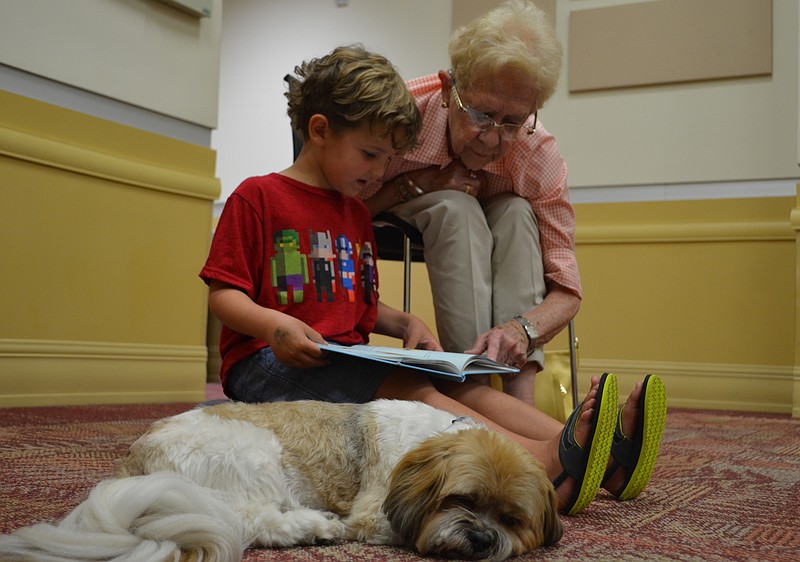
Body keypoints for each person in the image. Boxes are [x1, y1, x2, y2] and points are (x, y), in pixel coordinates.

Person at [200, 44, 667, 516]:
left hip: (338, 359)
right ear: (319, 131)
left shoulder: (354, 212)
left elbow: (353, 302)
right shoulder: (258, 196)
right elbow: (224, 295)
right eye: (371, 155)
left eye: (389, 159)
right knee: (413, 389)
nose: (382, 172)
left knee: (462, 382)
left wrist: (405, 324)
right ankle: (544, 464)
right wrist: (271, 326)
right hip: (264, 365)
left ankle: (603, 457)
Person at [360, 0, 575, 407]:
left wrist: (520, 330)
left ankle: (518, 398)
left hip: (497, 220)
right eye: (481, 114)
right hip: (396, 206)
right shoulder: (397, 117)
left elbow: (567, 291)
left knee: (516, 212)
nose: (493, 139)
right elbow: (333, 215)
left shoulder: (537, 151)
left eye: (512, 122)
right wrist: (416, 184)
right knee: (455, 208)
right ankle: (469, 390)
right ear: (447, 88)